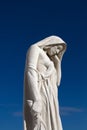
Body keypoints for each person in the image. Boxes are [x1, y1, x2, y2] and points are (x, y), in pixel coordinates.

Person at [23, 36, 66, 130]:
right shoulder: (35, 49)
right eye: (58, 47)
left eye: (60, 50)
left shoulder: (51, 60)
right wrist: (36, 99)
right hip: (41, 92)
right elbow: (30, 71)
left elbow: (57, 82)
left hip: (52, 97)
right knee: (41, 123)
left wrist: (58, 63)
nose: (58, 52)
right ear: (51, 43)